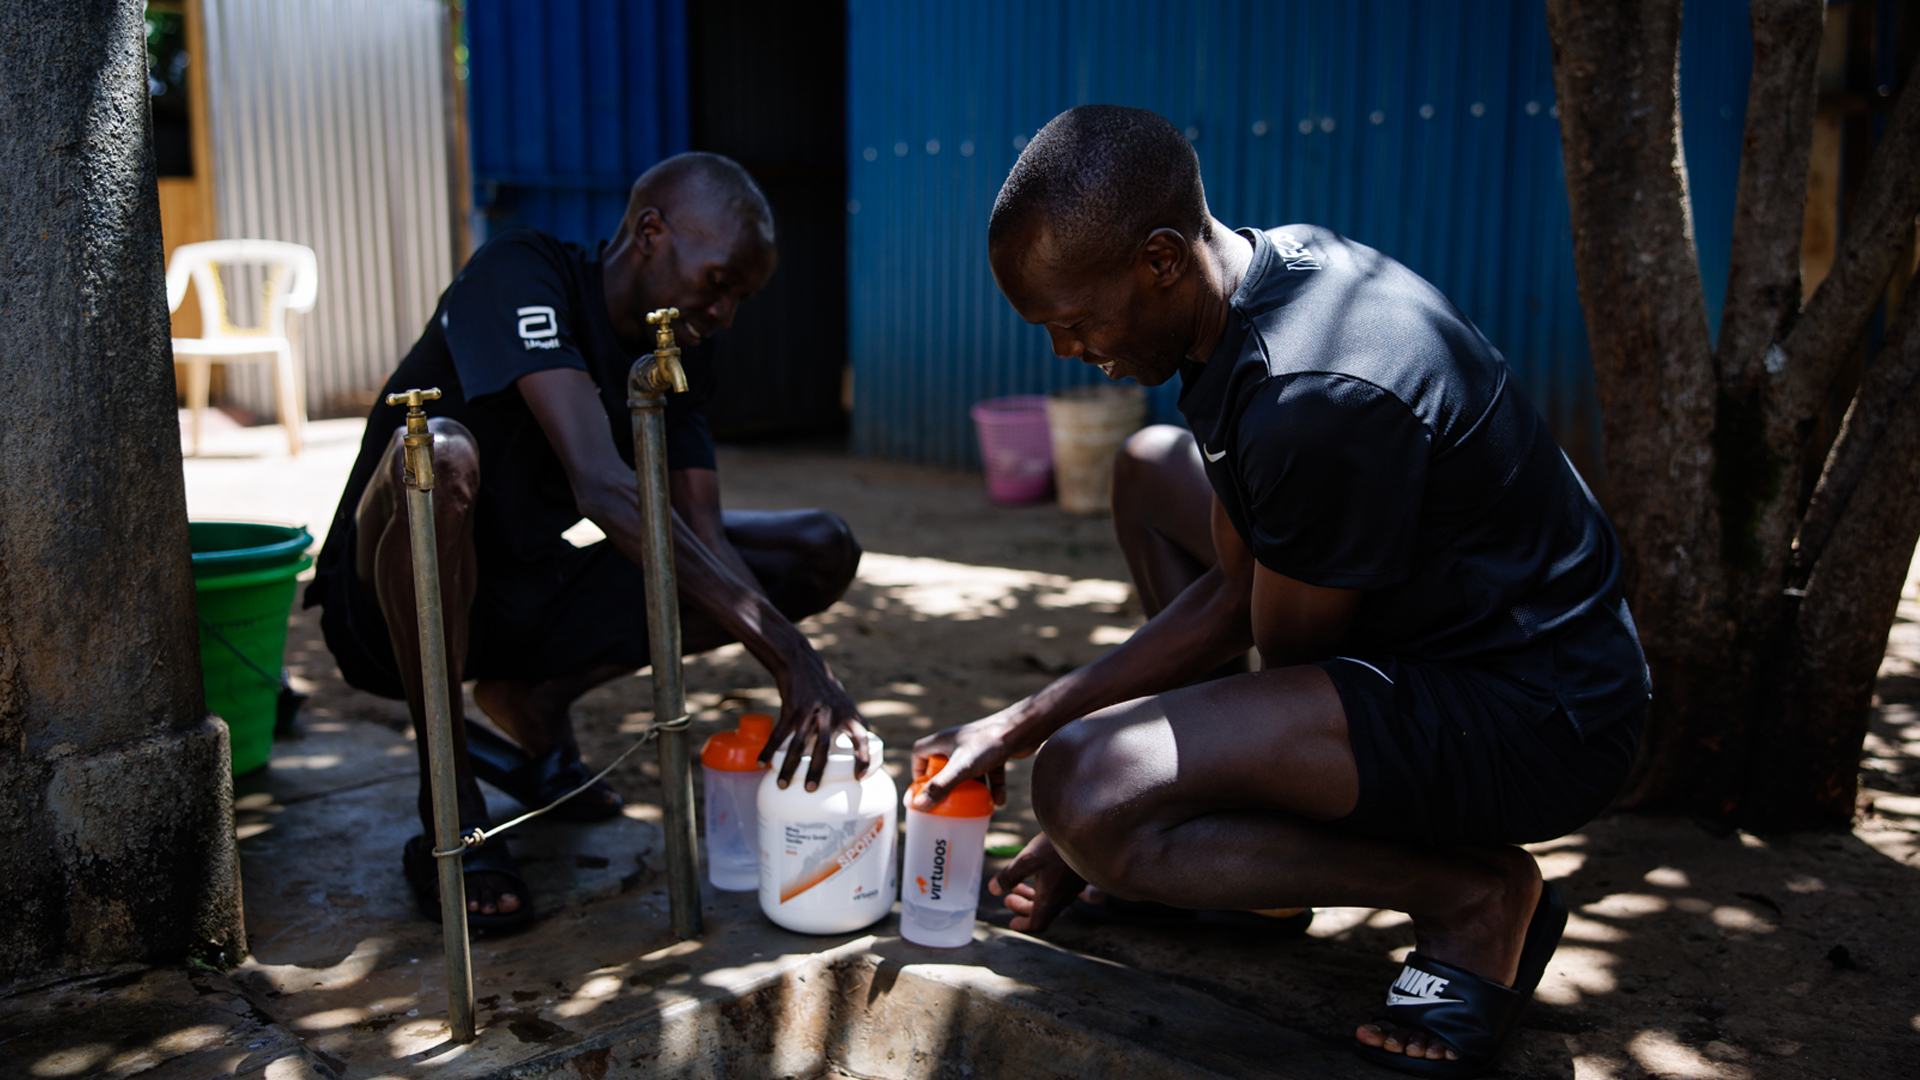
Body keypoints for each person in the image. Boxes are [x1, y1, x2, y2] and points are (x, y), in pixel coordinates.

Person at [910, 106, 1649, 1077]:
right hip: (1441, 622)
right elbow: (1242, 584)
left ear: (1160, 258)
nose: (1065, 349)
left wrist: (1086, 795)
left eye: (1074, 321)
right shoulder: (1263, 276)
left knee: (1083, 787)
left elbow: (1266, 639)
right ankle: (1249, 877)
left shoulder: (1311, 400)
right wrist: (1070, 747)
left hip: (1538, 715)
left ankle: (1473, 897)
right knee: (1147, 471)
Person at [306, 152, 868, 933]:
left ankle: (535, 698)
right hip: (387, 609)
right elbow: (600, 486)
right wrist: (789, 656)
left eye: (743, 295)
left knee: (815, 549)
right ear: (651, 232)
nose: (726, 313)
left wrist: (801, 660)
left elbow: (702, 533)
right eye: (719, 282)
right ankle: (451, 803)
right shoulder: (521, 272)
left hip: (521, 597)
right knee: (440, 455)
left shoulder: (678, 350)